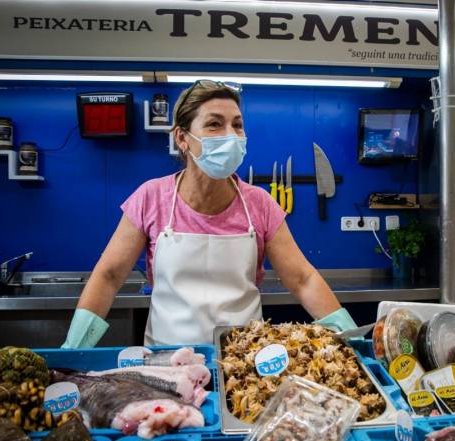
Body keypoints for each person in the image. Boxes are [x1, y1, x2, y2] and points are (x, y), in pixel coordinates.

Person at [62, 80, 356, 347]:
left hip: (242, 362)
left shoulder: (260, 204)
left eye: (237, 125)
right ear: (182, 138)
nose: (231, 135)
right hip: (168, 361)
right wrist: (74, 350)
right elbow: (109, 276)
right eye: (215, 124)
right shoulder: (151, 197)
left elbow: (303, 279)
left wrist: (351, 338)